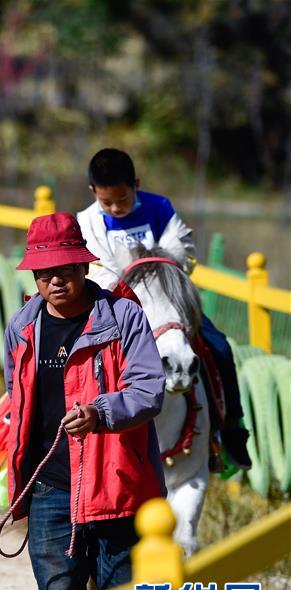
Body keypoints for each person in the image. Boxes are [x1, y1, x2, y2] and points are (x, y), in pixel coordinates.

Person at [5, 213, 165, 590]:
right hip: (51, 487)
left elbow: (150, 389)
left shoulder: (124, 316)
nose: (55, 280)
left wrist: (100, 412)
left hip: (118, 484)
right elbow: (16, 401)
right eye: (44, 272)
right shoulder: (22, 327)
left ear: (84, 267)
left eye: (65, 269)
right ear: (33, 276)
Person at [76, 148, 251, 469]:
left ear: (136, 185)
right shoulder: (86, 222)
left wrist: (153, 268)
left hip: (166, 303)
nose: (116, 208)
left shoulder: (160, 208)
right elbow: (96, 270)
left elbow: (181, 250)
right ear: (93, 193)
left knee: (219, 346)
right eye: (107, 202)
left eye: (123, 200)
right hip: (115, 307)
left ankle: (230, 427)